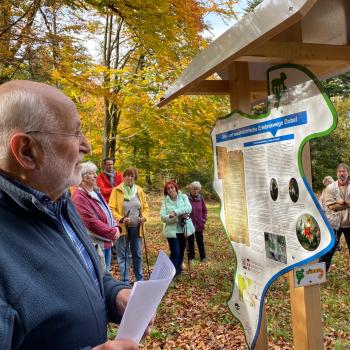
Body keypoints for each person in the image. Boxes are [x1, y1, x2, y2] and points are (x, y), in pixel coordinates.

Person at [0, 80, 141, 350]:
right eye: (75, 134)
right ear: (26, 151)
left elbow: (87, 271)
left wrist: (115, 295)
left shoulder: (59, 201)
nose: (86, 146)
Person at [72, 161, 120, 272]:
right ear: (83, 177)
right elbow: (90, 221)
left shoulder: (95, 192)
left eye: (95, 173)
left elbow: (108, 211)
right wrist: (112, 232)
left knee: (106, 273)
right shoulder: (79, 196)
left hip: (105, 242)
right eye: (92, 173)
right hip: (95, 245)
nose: (96, 176)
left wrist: (117, 227)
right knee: (101, 276)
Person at [109, 167, 149, 285]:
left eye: (131, 176)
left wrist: (144, 217)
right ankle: (125, 281)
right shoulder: (117, 190)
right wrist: (121, 218)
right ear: (124, 177)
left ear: (135, 177)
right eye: (127, 175)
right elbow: (111, 208)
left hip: (137, 227)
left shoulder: (139, 191)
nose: (129, 178)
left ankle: (139, 279)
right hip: (122, 228)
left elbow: (145, 207)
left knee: (137, 253)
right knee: (123, 254)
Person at [160, 181, 195, 276]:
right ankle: (168, 274)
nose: (171, 189)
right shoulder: (165, 201)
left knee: (181, 252)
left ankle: (178, 271)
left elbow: (189, 208)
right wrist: (175, 217)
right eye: (168, 188)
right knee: (175, 252)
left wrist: (175, 212)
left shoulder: (183, 197)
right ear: (166, 191)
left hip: (183, 229)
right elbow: (163, 217)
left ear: (175, 188)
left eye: (172, 187)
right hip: (172, 231)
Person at [320, 163, 350, 272]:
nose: (342, 173)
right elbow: (332, 207)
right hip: (334, 224)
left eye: (344, 171)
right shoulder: (330, 188)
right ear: (337, 173)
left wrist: (340, 203)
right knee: (328, 252)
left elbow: (336, 205)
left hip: (349, 224)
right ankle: (320, 275)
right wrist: (347, 203)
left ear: (348, 173)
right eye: (340, 171)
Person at [187, 181, 208, 262]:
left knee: (200, 241)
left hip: (199, 223)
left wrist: (204, 219)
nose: (195, 191)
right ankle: (191, 258)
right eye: (193, 189)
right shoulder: (186, 198)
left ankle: (203, 257)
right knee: (190, 241)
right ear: (190, 189)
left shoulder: (201, 198)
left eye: (197, 189)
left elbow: (204, 210)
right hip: (189, 223)